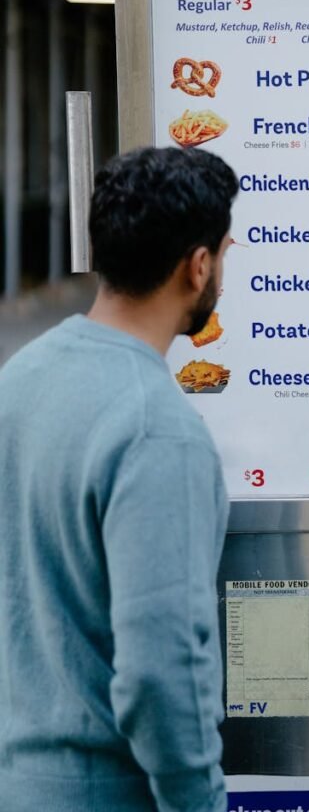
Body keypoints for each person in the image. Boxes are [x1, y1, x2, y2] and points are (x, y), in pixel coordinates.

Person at [0, 146, 238, 812]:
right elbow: (160, 672)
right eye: (224, 254)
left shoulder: (23, 375)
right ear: (198, 267)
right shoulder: (156, 428)